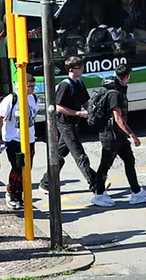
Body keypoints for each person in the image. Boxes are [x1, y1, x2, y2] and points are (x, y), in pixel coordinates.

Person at [90, 65, 146, 207]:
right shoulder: (115, 93)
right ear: (127, 76)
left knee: (129, 160)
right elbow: (118, 118)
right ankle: (99, 194)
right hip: (111, 135)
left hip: (117, 135)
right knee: (105, 164)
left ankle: (136, 192)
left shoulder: (113, 88)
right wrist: (132, 135)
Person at [39, 56, 97, 192]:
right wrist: (77, 113)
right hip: (65, 124)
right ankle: (95, 184)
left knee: (58, 155)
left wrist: (92, 112)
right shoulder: (65, 85)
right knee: (80, 155)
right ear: (71, 70)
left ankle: (46, 182)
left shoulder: (80, 83)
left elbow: (85, 102)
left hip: (74, 124)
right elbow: (56, 106)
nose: (82, 69)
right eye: (79, 67)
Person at [0, 73, 37, 210]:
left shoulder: (33, 99)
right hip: (13, 139)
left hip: (29, 139)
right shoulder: (12, 99)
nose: (32, 89)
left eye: (33, 86)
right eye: (29, 86)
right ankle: (11, 193)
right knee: (17, 167)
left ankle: (20, 195)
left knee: (26, 169)